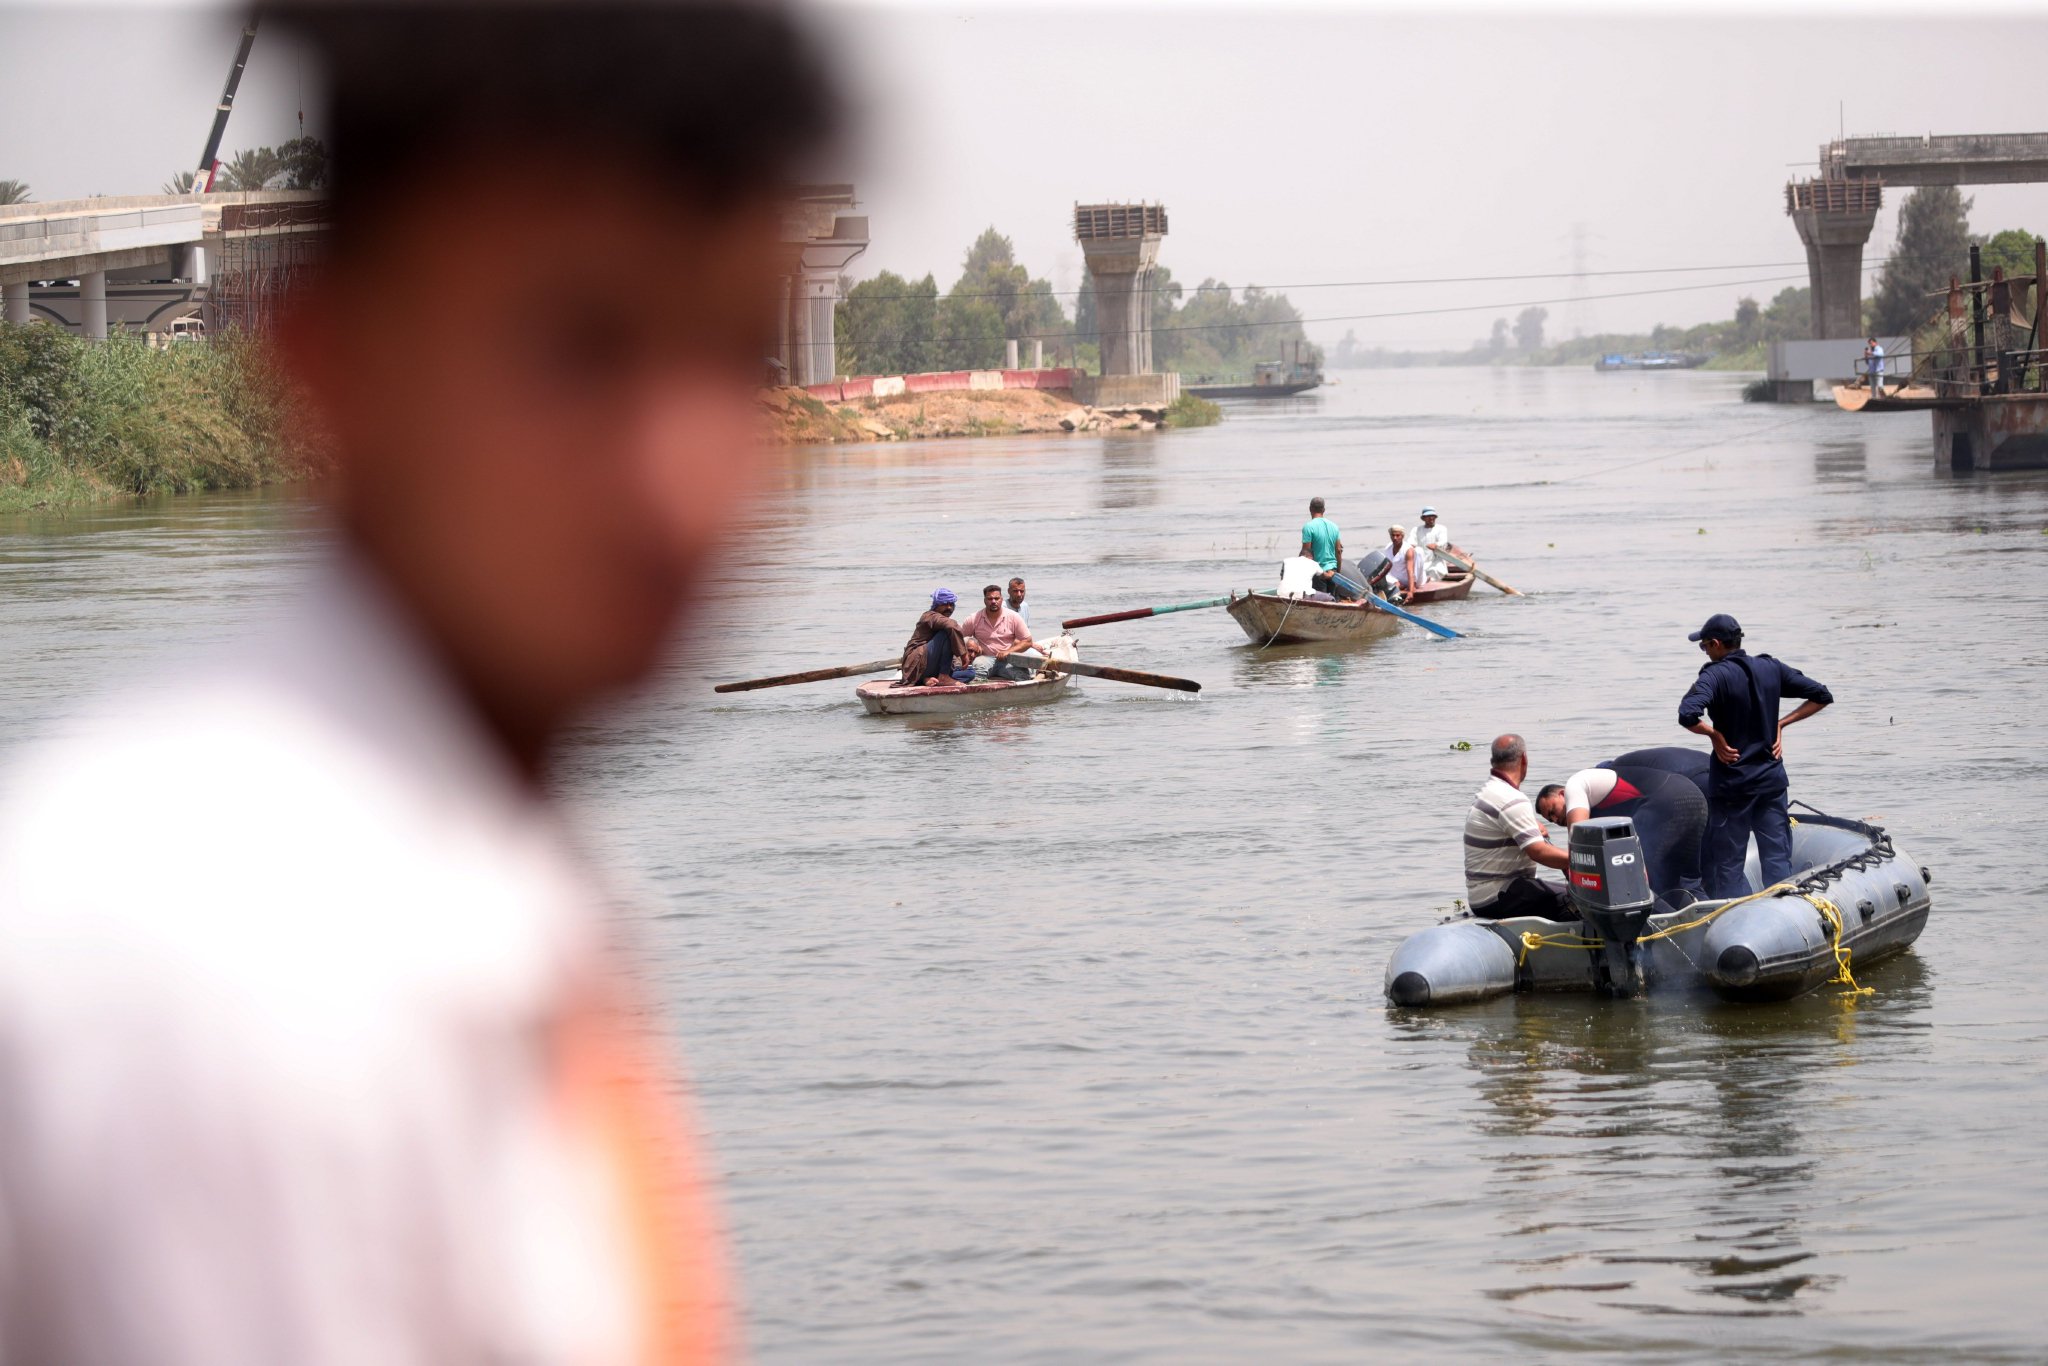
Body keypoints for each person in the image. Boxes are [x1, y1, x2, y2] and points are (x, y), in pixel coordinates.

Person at [0, 5, 840, 1361]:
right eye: (584, 350)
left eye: (735, 361)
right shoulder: (234, 961)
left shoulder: (479, 869)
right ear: (327, 366)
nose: (685, 478)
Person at [1677, 613, 1834, 899]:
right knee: (1777, 859)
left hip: (1733, 786)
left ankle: (1739, 922)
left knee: (1729, 865)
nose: (1704, 652)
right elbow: (1821, 695)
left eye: (1703, 646)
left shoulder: (1714, 675)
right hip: (1772, 782)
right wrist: (1781, 724)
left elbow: (1687, 714)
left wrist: (1714, 736)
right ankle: (1785, 915)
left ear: (1715, 644)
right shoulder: (1770, 668)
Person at [1536, 746, 1711, 900]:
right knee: (1685, 881)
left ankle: (1656, 931)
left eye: (1552, 811)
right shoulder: (1597, 809)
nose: (1555, 820)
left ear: (1561, 793)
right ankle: (1709, 922)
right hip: (1695, 800)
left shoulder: (1575, 784)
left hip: (1667, 802)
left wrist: (1542, 845)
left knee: (1637, 880)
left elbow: (1579, 846)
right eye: (1549, 820)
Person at [1463, 734, 1577, 921]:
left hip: (1484, 894)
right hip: (1497, 895)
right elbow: (1538, 852)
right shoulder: (1511, 798)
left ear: (1493, 761)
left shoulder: (1489, 792)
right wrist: (1585, 860)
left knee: (1561, 891)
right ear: (1524, 759)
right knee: (1576, 902)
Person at [897, 589, 977, 687]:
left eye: (951, 604)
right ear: (936, 605)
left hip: (930, 667)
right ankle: (942, 677)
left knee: (970, 673)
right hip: (917, 664)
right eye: (944, 604)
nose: (949, 607)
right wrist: (963, 654)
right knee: (947, 632)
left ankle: (927, 680)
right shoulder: (929, 616)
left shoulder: (943, 620)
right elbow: (952, 626)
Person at [963, 582, 1038, 681]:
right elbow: (960, 641)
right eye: (990, 599)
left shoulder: (1013, 617)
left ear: (1001, 600)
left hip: (1008, 660)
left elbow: (1027, 641)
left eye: (996, 598)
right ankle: (978, 692)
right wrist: (973, 649)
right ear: (985, 601)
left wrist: (1008, 651)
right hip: (985, 659)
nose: (993, 601)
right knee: (975, 672)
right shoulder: (973, 618)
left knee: (1023, 676)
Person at [1415, 506, 1463, 582]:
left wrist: (1436, 545)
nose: (1431, 518)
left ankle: (1429, 582)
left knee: (1434, 571)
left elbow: (1443, 541)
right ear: (1423, 518)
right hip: (1422, 561)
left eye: (1433, 516)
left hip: (1436, 560)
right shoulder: (1417, 529)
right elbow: (1411, 542)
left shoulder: (1441, 528)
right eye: (1428, 516)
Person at [1380, 524, 1423, 599]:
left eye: (1398, 535)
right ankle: (1398, 585)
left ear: (1402, 536)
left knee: (1419, 551)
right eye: (1393, 535)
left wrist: (1411, 591)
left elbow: (1410, 571)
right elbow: (1385, 567)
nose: (1395, 538)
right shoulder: (1388, 548)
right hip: (1394, 579)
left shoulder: (1408, 550)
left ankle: (1409, 584)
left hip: (1407, 578)